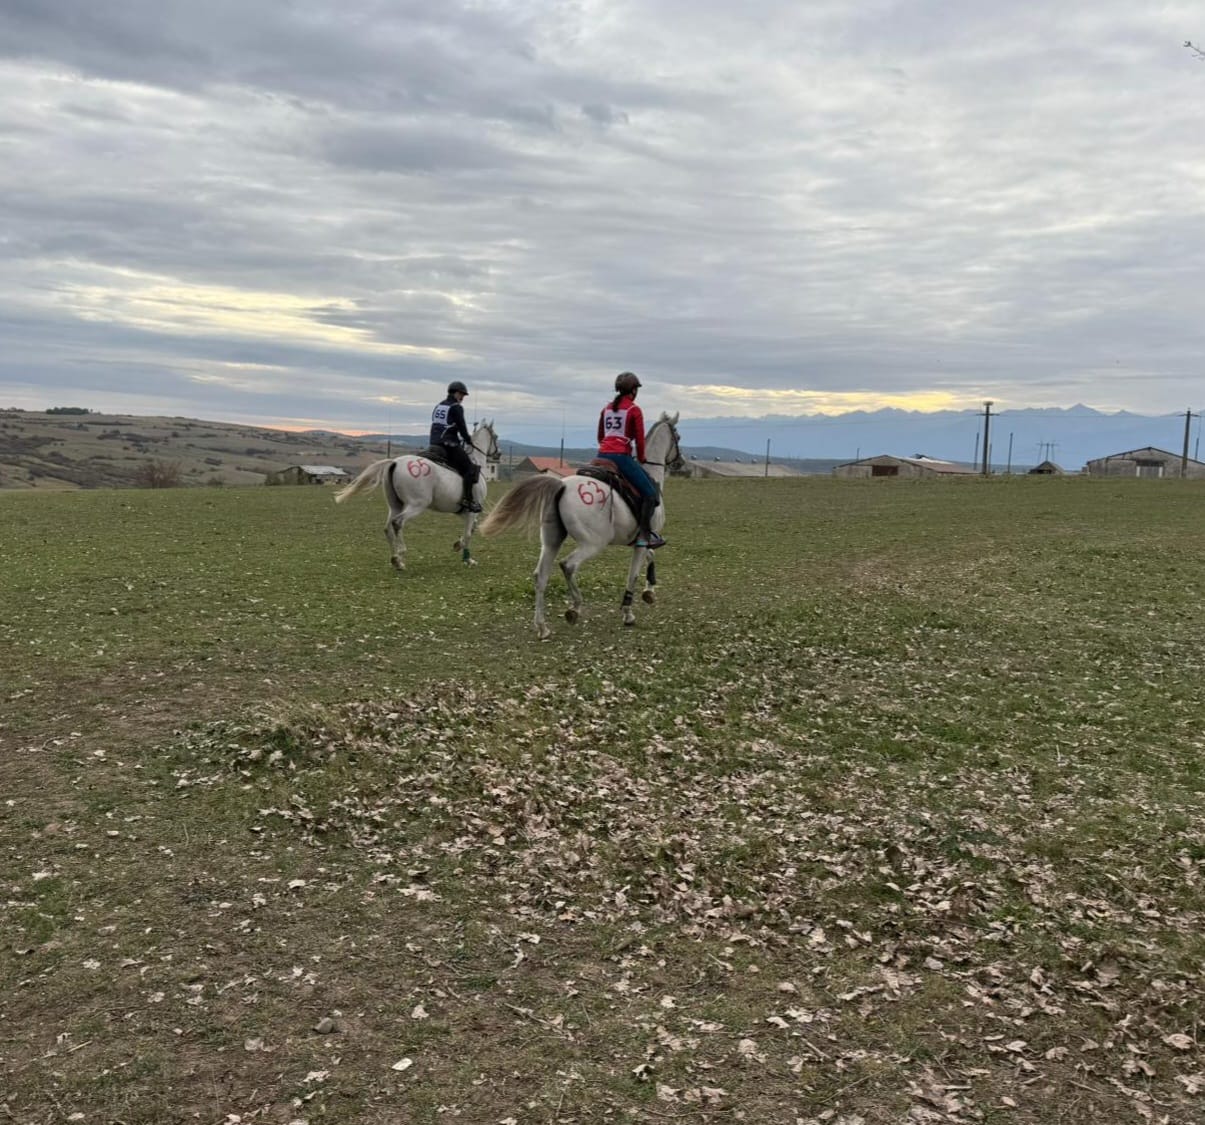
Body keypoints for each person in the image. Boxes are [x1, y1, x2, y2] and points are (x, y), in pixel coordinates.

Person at [596, 371, 666, 548]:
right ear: (633, 391)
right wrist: (641, 457)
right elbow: (640, 440)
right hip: (621, 457)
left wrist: (607, 448)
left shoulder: (606, 409)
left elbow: (600, 436)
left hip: (601, 455)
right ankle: (644, 536)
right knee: (650, 493)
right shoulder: (634, 410)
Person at [429, 380, 481, 513]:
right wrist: (469, 440)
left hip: (434, 443)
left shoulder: (439, 406)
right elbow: (462, 427)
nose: (462, 398)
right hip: (448, 444)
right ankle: (468, 500)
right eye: (462, 394)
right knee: (470, 469)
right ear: (456, 393)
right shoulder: (456, 407)